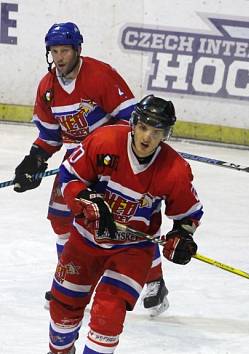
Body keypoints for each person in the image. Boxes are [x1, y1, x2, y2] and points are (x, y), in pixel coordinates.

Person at [12, 22, 169, 315]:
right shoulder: (48, 88)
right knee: (61, 220)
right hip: (76, 162)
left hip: (111, 163)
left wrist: (107, 152)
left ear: (77, 50)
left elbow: (130, 122)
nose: (59, 58)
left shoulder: (101, 75)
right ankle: (71, 280)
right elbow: (49, 135)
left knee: (126, 225)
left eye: (65, 51)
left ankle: (155, 282)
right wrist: (34, 159)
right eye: (54, 51)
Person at [47, 94, 204, 354]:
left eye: (156, 132)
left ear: (166, 134)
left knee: (109, 313)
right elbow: (69, 175)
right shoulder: (104, 140)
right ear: (133, 124)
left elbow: (188, 214)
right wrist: (85, 200)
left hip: (132, 250)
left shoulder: (175, 170)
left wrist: (182, 236)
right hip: (86, 240)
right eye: (143, 128)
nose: (146, 138)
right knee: (64, 307)